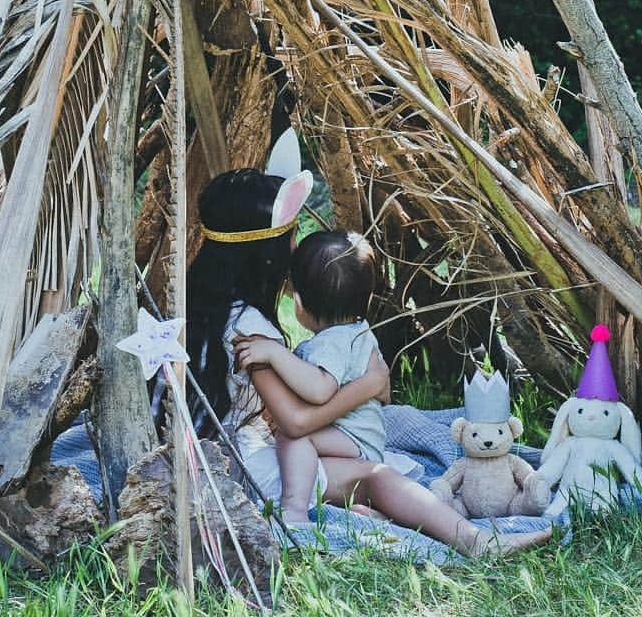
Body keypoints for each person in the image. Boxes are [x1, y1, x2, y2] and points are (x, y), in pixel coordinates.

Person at [188, 168, 551, 557]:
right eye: (291, 238)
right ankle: (475, 541)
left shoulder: (206, 303)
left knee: (374, 461)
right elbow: (294, 424)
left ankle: (391, 516)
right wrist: (371, 384)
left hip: (230, 451)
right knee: (378, 476)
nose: (294, 252)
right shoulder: (252, 332)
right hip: (243, 469)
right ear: (264, 255)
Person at [234, 230, 385, 524]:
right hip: (360, 439)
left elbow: (319, 390)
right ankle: (367, 513)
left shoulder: (331, 343)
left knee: (292, 439)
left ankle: (294, 509)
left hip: (352, 439)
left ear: (299, 304)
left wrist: (275, 354)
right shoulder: (356, 331)